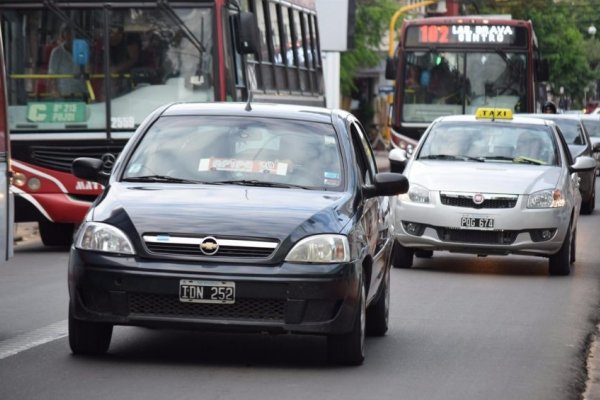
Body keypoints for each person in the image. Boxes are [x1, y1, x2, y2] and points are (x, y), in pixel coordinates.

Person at [47, 24, 86, 98]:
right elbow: (52, 73)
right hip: (63, 92)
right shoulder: (56, 52)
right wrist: (54, 90)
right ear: (63, 36)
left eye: (73, 34)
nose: (71, 36)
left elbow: (86, 71)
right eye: (68, 33)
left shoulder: (81, 50)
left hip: (80, 91)